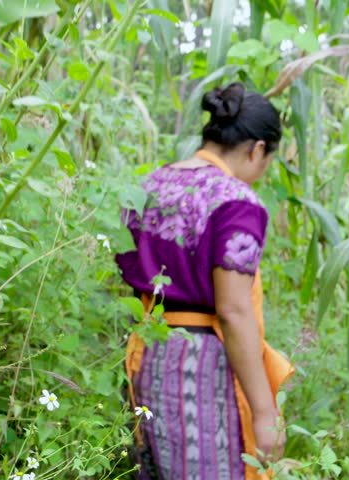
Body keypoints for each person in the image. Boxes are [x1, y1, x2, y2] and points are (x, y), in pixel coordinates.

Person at [116, 82, 294, 479]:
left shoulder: (149, 186)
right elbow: (232, 309)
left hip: (148, 350)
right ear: (257, 149)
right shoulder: (236, 202)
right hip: (201, 366)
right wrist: (265, 413)